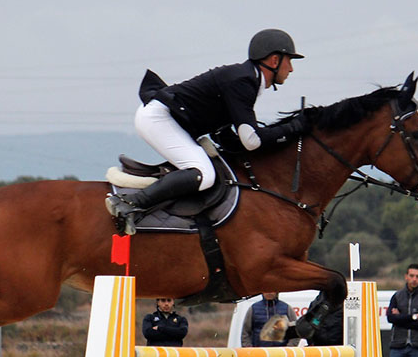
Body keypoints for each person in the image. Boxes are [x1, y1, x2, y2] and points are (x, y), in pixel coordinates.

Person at [106, 29, 306, 234]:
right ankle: (128, 203)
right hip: (159, 119)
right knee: (203, 174)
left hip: (166, 118)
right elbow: (252, 141)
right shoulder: (244, 81)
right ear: (274, 60)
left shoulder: (247, 79)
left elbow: (226, 135)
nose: (290, 69)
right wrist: (294, 127)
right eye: (289, 61)